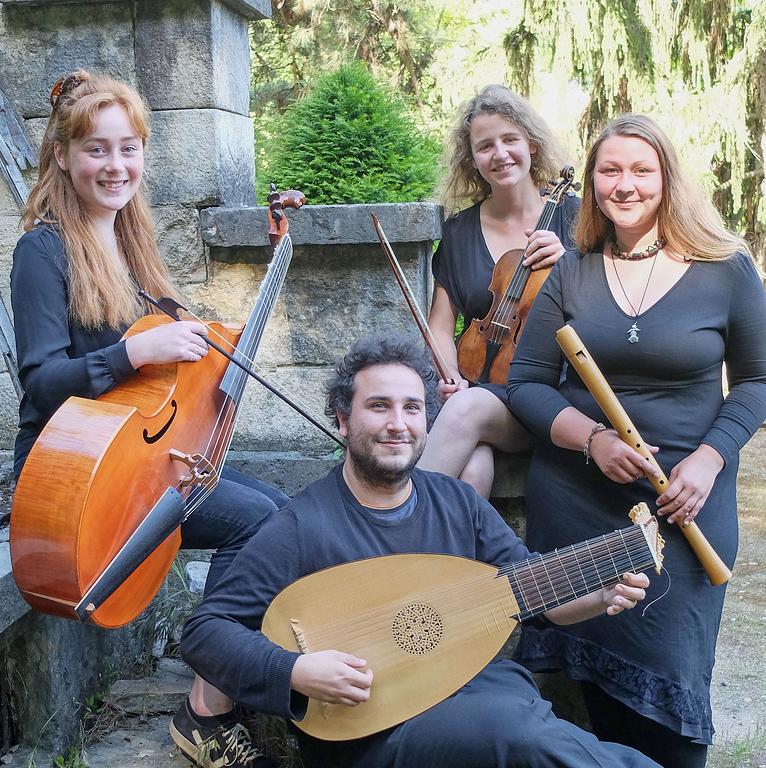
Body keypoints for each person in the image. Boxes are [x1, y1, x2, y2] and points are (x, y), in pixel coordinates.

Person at [180, 333, 662, 768]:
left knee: (521, 726)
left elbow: (530, 592)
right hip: (372, 732)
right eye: (379, 406)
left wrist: (599, 596)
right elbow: (205, 633)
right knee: (518, 734)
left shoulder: (456, 502)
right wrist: (295, 670)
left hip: (474, 690)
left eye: (412, 408)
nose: (398, 424)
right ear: (343, 420)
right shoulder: (301, 526)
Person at [10, 70, 287, 768]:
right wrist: (135, 351)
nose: (115, 165)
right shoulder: (42, 251)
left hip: (136, 454)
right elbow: (41, 381)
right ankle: (208, 707)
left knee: (285, 513)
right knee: (260, 523)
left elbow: (158, 380)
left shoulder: (131, 246)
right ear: (62, 156)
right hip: (75, 472)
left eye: (128, 148)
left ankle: (236, 672)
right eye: (96, 149)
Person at [506, 114, 766, 768]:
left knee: (674, 683)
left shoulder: (726, 267)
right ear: (592, 183)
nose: (625, 185)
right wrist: (593, 440)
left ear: (667, 179)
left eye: (641, 170)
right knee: (600, 701)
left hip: (683, 501)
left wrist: (709, 460)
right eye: (610, 170)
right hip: (580, 495)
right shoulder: (572, 271)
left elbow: (759, 381)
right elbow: (526, 383)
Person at [417, 84, 580, 497]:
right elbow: (440, 327)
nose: (500, 154)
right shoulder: (458, 232)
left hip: (552, 396)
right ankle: (437, 542)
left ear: (532, 145)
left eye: (510, 140)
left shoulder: (575, 218)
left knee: (465, 411)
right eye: (485, 146)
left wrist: (569, 265)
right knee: (474, 469)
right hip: (479, 393)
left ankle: (386, 522)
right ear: (472, 159)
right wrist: (451, 375)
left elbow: (610, 309)